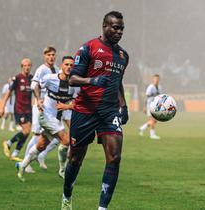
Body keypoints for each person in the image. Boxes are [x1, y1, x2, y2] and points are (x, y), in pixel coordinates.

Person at [61, 11, 129, 210]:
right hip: (85, 110)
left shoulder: (123, 56)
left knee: (115, 158)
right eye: (115, 27)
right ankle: (67, 196)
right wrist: (92, 80)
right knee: (75, 158)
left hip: (109, 113)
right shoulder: (89, 48)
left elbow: (118, 82)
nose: (119, 32)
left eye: (122, 28)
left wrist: (123, 105)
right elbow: (72, 78)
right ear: (104, 26)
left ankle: (102, 208)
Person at [16, 56, 78, 181]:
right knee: (66, 141)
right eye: (66, 64)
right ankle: (62, 170)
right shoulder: (51, 78)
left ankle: (22, 165)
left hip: (57, 119)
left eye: (71, 65)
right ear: (61, 66)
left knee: (41, 145)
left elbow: (78, 102)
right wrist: (38, 99)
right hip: (46, 116)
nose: (69, 67)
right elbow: (35, 85)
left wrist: (67, 106)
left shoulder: (74, 84)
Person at [23, 46, 60, 173]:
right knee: (37, 134)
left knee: (55, 136)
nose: (51, 57)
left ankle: (41, 155)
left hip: (52, 108)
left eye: (53, 54)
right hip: (40, 107)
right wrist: (38, 99)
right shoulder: (42, 69)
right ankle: (25, 162)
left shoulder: (57, 69)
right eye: (49, 55)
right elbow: (34, 85)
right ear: (44, 56)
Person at [0, 58, 33, 161]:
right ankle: (8, 143)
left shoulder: (32, 78)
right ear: (22, 67)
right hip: (19, 109)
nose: (27, 67)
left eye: (29, 65)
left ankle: (15, 153)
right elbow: (8, 93)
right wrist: (2, 108)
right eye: (25, 65)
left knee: (27, 132)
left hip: (29, 109)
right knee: (26, 130)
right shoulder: (17, 78)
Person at [139, 74, 161, 139]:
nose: (157, 80)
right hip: (149, 106)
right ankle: (152, 134)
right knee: (153, 119)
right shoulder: (150, 87)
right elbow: (147, 97)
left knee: (155, 120)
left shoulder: (159, 87)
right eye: (155, 79)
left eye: (158, 79)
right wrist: (144, 107)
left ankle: (142, 128)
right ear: (153, 79)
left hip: (155, 106)